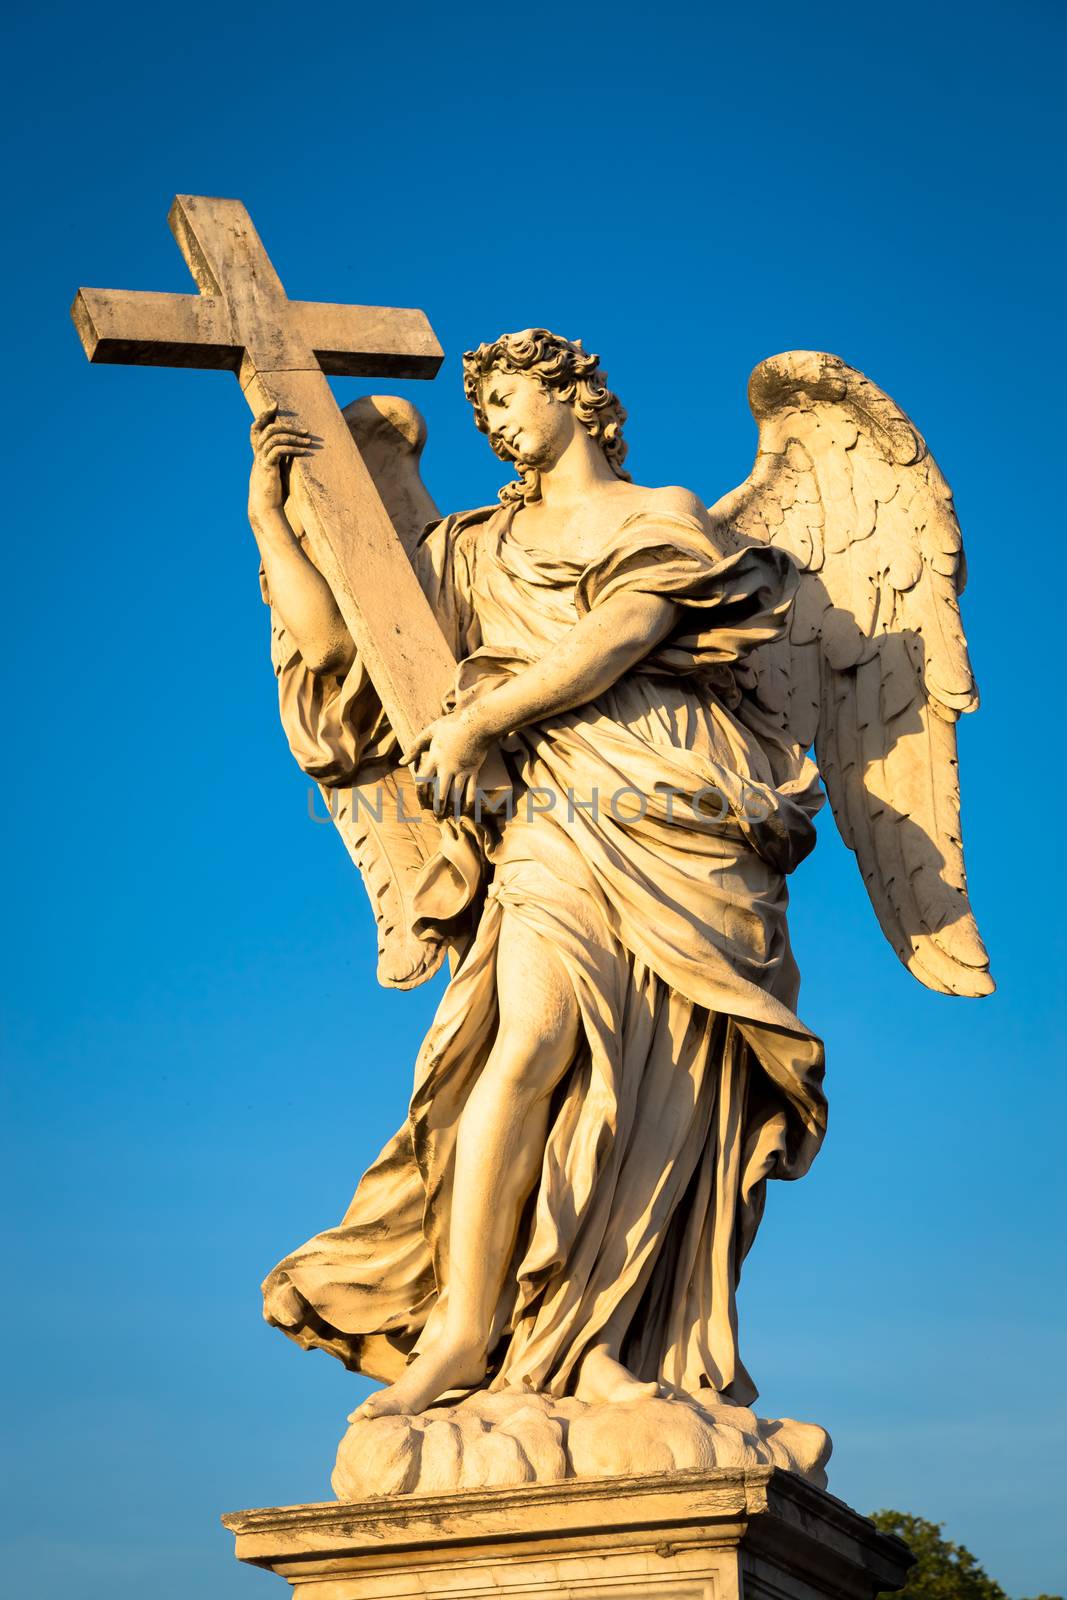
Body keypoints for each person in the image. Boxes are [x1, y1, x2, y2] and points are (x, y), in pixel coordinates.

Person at [250, 329, 827, 1420]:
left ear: (575, 395)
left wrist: (484, 720)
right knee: (529, 1041)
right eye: (484, 415)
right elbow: (338, 652)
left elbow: (624, 629)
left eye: (512, 398)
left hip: (681, 808)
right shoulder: (471, 548)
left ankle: (612, 1339)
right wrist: (270, 521)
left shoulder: (663, 511)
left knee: (668, 1076)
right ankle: (468, 1330)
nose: (497, 425)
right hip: (555, 813)